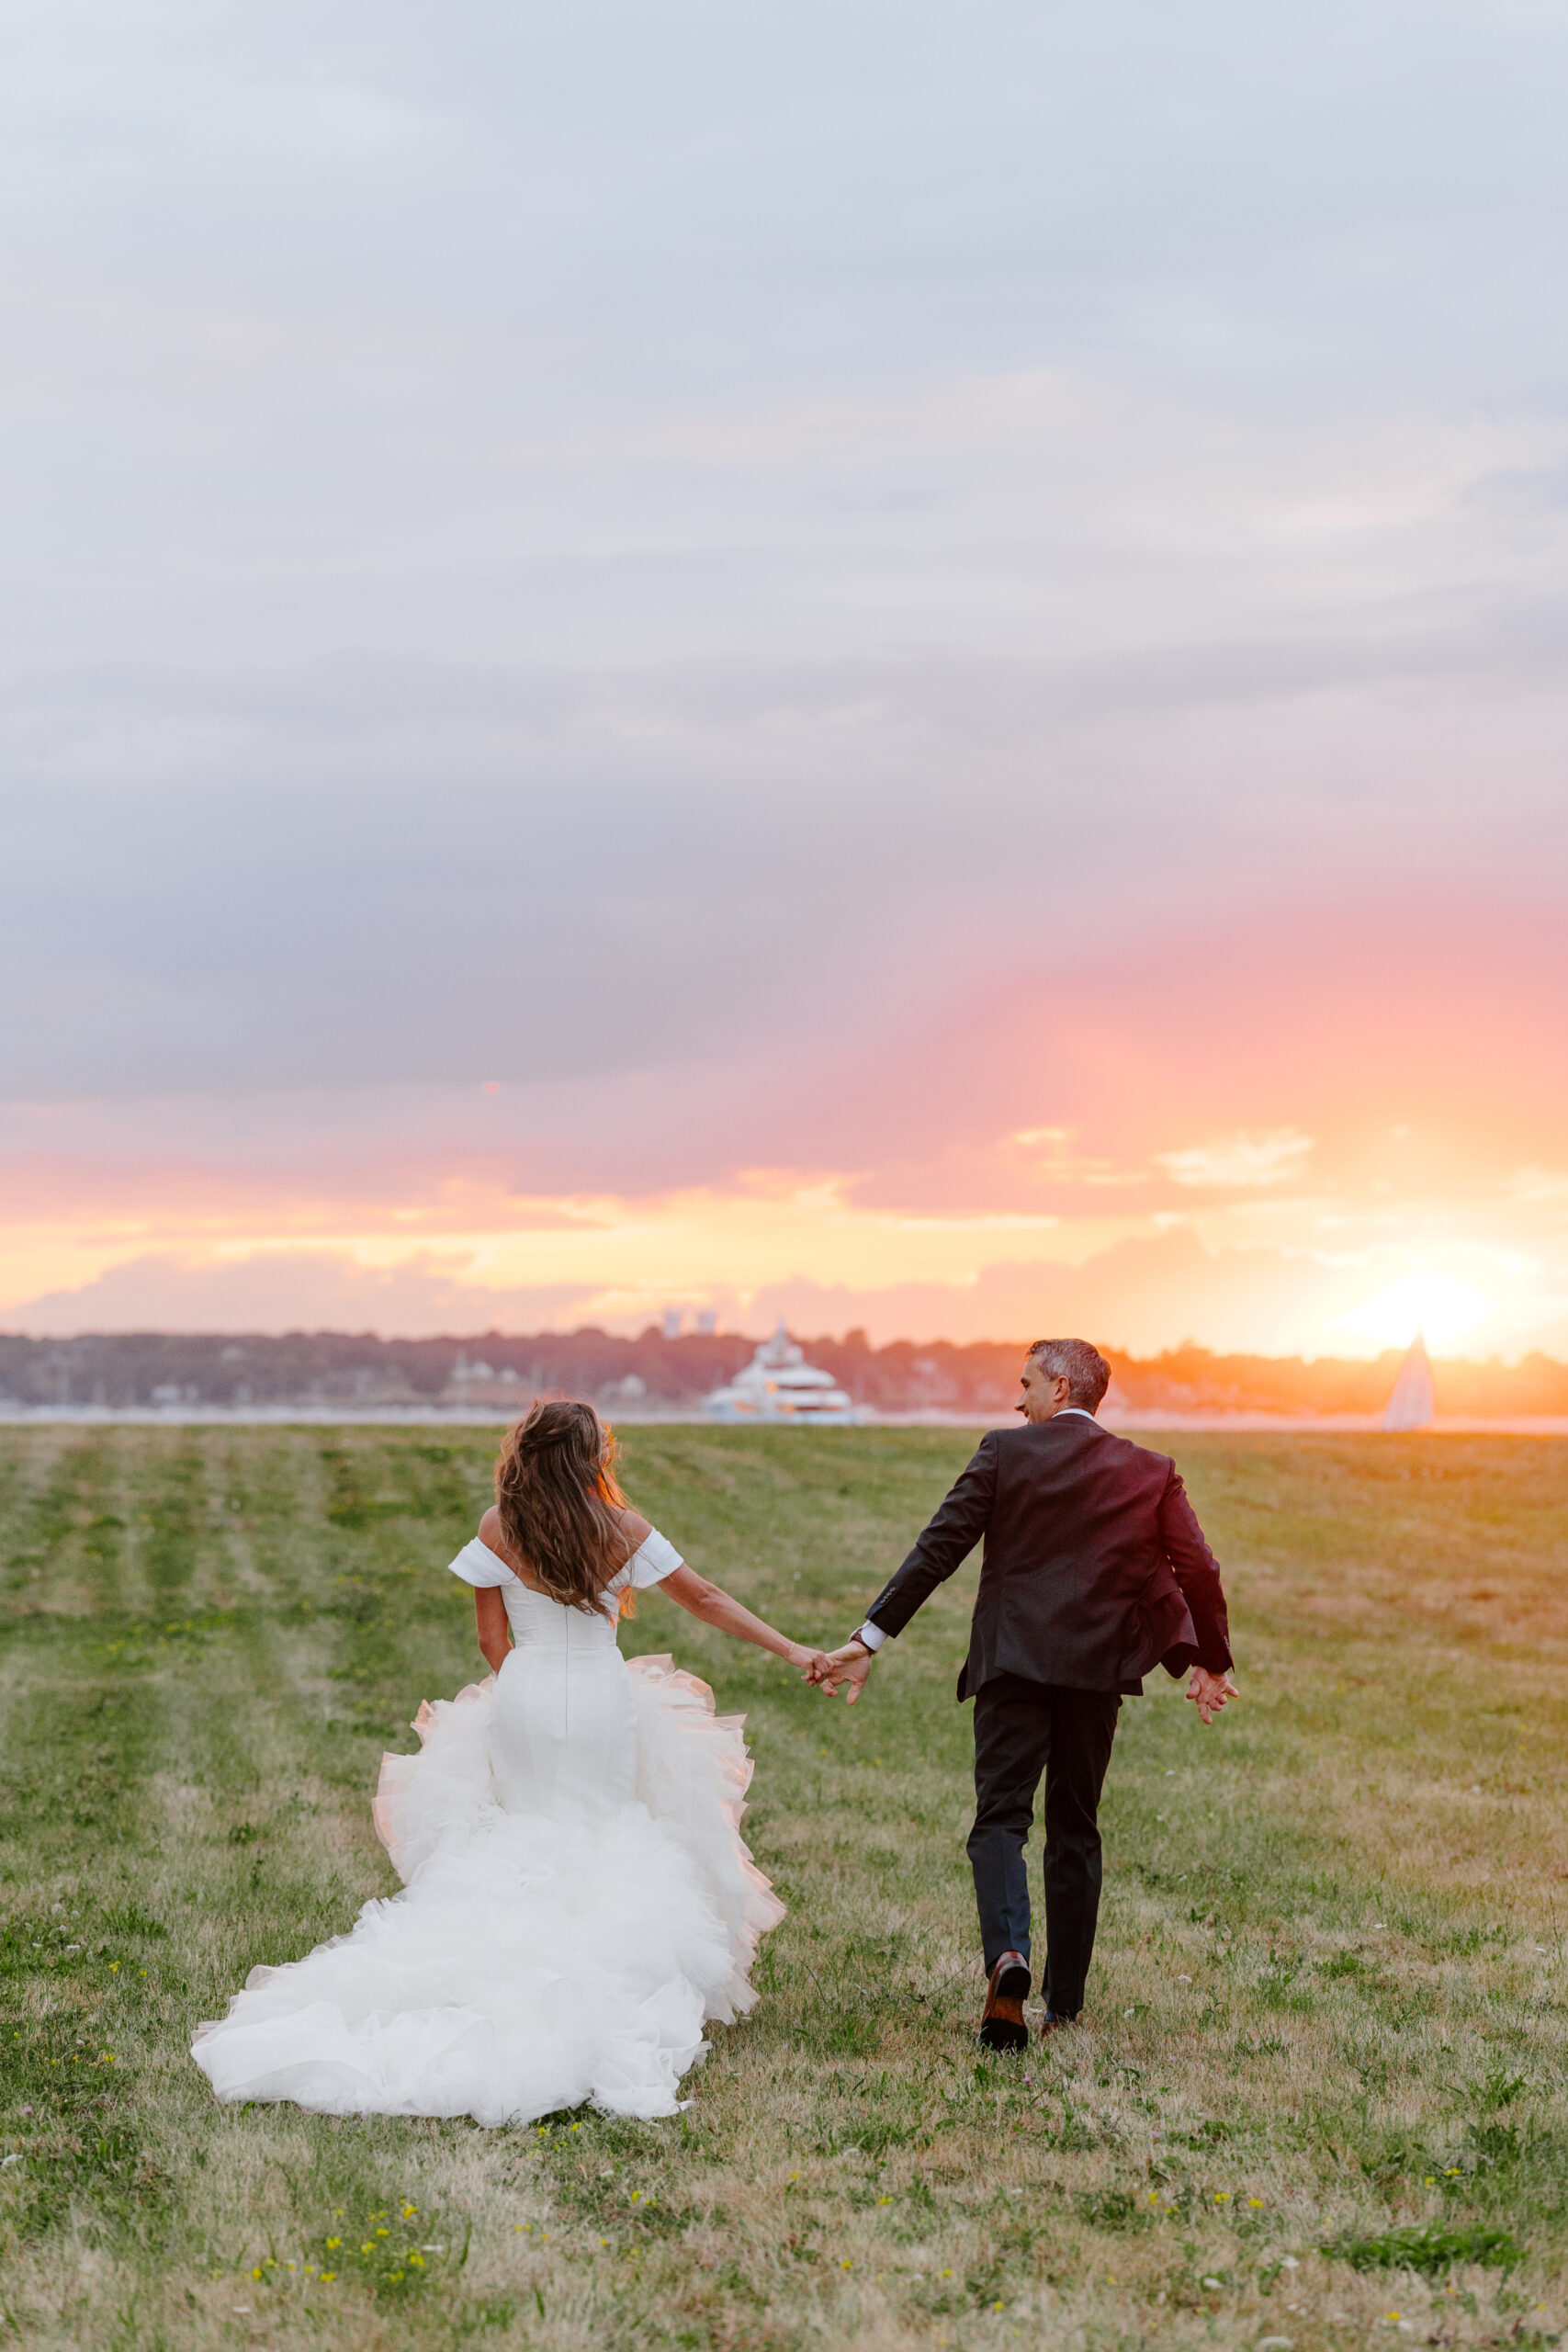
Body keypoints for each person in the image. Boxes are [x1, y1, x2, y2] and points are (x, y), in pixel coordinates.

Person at [192, 1400, 824, 2125]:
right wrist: (794, 1650)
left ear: (527, 1454)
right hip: (598, 1694)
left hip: (521, 1695)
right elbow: (705, 1598)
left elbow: (491, 1644)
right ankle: (598, 1976)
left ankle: (505, 1968)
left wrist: (523, 1689)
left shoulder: (500, 1526)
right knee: (600, 1828)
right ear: (594, 1458)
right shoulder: (623, 1529)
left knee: (527, 1827)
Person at [812, 1338, 1237, 2052]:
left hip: (1011, 1667)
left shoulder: (1004, 1453)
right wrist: (1212, 1661)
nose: (1018, 1401)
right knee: (1075, 1828)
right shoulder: (1149, 1470)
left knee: (1000, 1822)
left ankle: (1007, 1956)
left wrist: (870, 1639)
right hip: (1095, 1676)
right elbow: (1198, 1566)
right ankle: (1063, 2005)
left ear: (1062, 1387)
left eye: (1026, 1385)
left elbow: (937, 1548)